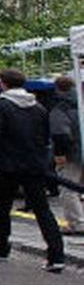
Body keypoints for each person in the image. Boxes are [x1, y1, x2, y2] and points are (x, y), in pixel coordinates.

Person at [0, 68, 66, 273]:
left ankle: (0, 247)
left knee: (2, 208)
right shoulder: (38, 107)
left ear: (4, 84)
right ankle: (56, 255)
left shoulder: (0, 105)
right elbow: (45, 137)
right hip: (34, 164)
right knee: (42, 209)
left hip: (7, 165)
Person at [49, 75, 84, 234]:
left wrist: (59, 153)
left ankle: (77, 223)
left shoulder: (60, 108)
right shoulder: (80, 103)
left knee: (68, 189)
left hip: (72, 154)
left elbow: (60, 133)